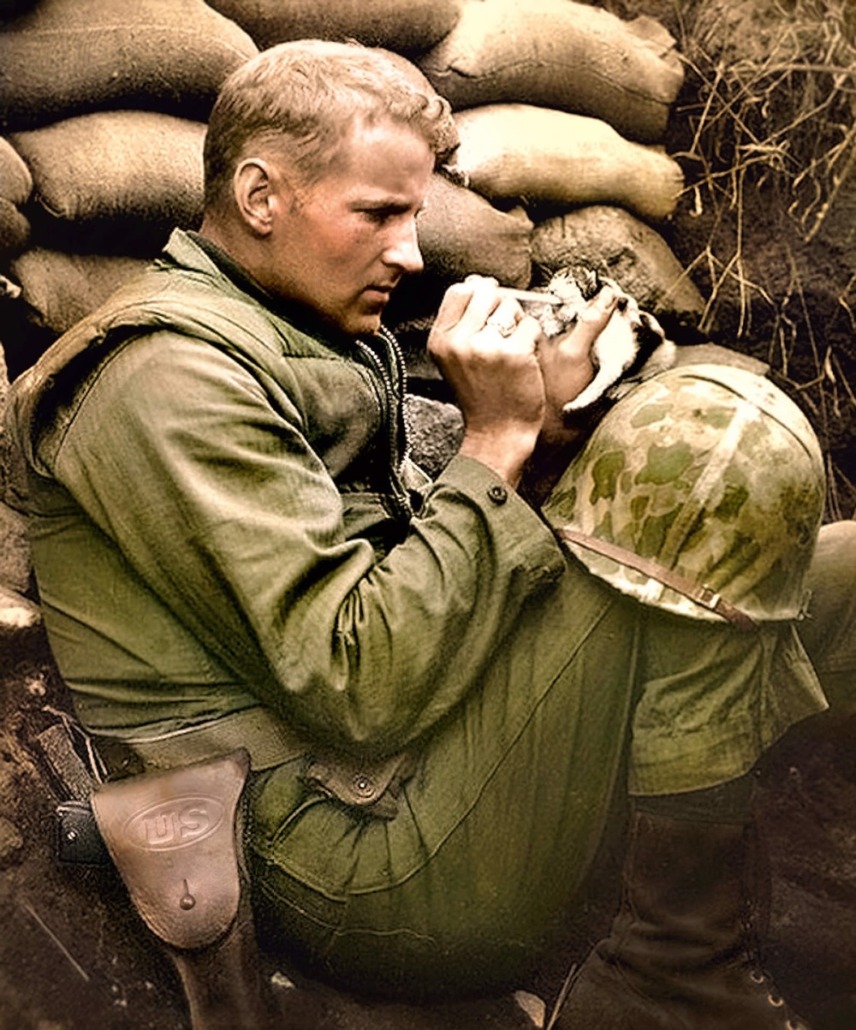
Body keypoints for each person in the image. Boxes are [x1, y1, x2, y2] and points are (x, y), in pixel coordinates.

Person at [4, 39, 855, 1029]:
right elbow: (358, 688)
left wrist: (546, 443)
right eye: (378, 214)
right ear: (260, 195)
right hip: (345, 856)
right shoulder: (162, 379)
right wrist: (494, 441)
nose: (411, 254)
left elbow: (415, 586)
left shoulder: (299, 336)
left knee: (841, 572)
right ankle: (668, 976)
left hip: (421, 761)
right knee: (706, 462)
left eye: (413, 215)